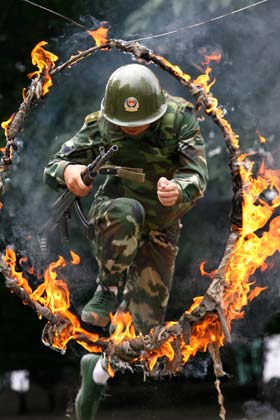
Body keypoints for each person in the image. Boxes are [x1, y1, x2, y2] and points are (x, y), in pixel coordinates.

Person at [44, 63, 208, 420]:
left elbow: (198, 173)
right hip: (116, 217)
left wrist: (179, 188)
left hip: (162, 226)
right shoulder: (101, 123)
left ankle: (96, 374)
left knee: (145, 336)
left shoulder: (180, 119)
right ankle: (107, 289)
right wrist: (70, 173)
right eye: (124, 124)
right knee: (127, 210)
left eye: (140, 123)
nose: (131, 129)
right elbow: (55, 165)